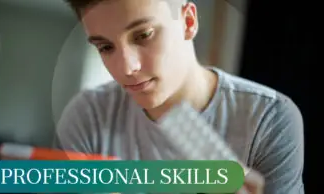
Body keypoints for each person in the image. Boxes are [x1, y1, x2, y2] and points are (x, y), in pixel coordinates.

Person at [53, 0, 305, 193]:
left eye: (143, 35)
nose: (127, 68)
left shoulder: (270, 119)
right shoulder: (87, 116)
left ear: (188, 22)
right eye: (106, 47)